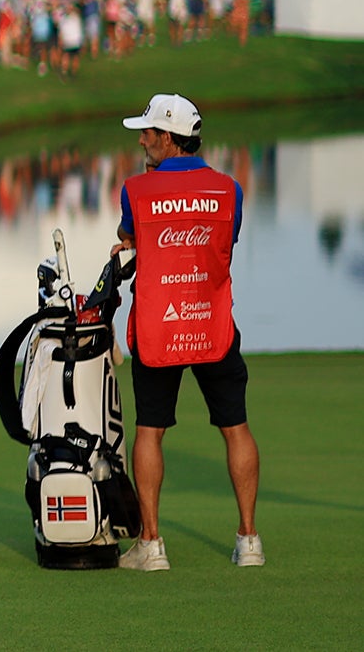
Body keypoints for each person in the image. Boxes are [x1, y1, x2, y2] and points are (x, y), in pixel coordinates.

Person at [109, 93, 262, 571]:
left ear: (170, 138)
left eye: (149, 133)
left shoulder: (135, 189)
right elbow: (223, 243)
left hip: (160, 324)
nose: (142, 140)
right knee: (235, 427)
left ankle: (151, 545)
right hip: (212, 322)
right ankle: (248, 541)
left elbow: (130, 243)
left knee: (150, 431)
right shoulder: (229, 188)